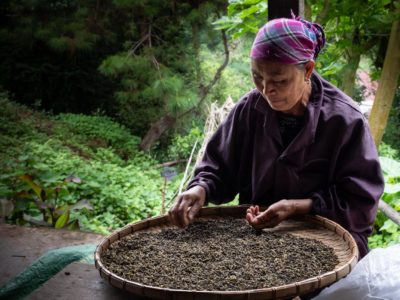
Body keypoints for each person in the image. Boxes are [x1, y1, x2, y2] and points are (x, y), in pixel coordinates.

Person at [168, 16, 384, 259]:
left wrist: (296, 207)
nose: (266, 89)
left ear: (308, 70)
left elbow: (359, 202)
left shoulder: (345, 121)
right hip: (258, 234)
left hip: (326, 238)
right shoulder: (250, 109)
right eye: (257, 77)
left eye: (279, 80)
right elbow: (219, 167)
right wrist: (201, 188)